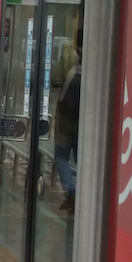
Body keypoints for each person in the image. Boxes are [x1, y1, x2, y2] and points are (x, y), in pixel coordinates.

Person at [51, 30, 81, 212]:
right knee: (81, 158)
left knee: (61, 156)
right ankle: (83, 193)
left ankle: (71, 190)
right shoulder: (98, 54)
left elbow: (54, 79)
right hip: (84, 123)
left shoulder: (68, 54)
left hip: (65, 120)